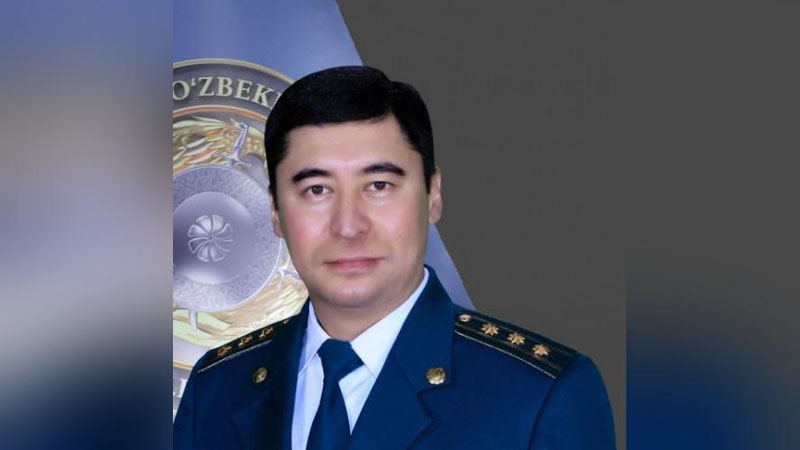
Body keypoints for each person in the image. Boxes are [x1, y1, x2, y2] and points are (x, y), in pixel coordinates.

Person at [173, 66, 616, 450]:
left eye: (379, 186)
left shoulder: (539, 396)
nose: (348, 225)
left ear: (432, 194)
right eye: (316, 190)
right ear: (274, 210)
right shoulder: (217, 388)